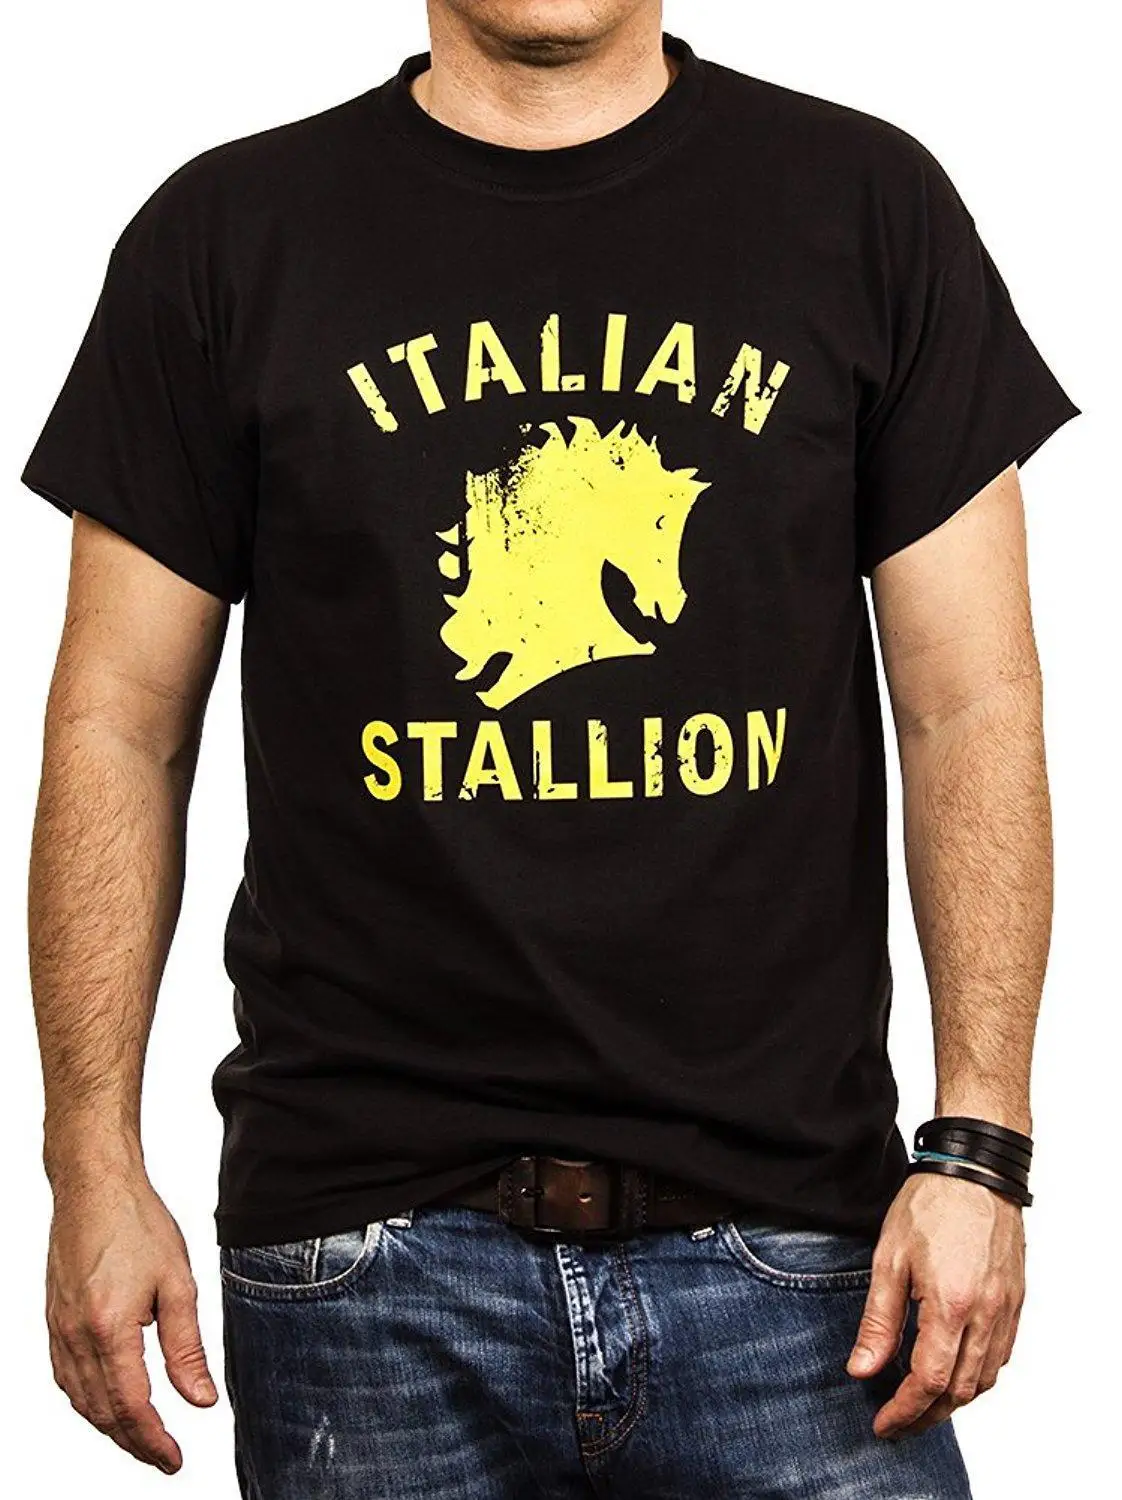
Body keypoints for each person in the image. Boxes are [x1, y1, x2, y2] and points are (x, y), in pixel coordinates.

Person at [21, 2, 1078, 1495]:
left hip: (800, 1261)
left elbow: (969, 706)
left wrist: (978, 1152)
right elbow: (116, 726)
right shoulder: (226, 236)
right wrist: (88, 1163)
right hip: (362, 1269)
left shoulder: (863, 206)